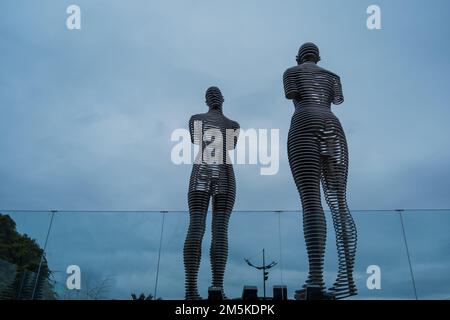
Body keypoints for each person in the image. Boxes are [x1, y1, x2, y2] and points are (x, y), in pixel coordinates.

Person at [283, 42, 357, 299]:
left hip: (304, 122)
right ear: (319, 56)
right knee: (339, 202)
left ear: (298, 57)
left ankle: (315, 277)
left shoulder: (291, 72)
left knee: (311, 201)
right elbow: (336, 100)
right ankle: (346, 280)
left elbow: (293, 95)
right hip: (332, 124)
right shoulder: (332, 77)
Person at [183, 86, 239, 300]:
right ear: (211, 100)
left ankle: (208, 289)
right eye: (212, 95)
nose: (215, 98)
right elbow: (230, 146)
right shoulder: (232, 125)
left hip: (207, 170)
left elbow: (198, 140)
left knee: (209, 227)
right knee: (209, 227)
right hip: (221, 170)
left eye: (215, 95)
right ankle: (199, 289)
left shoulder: (197, 120)